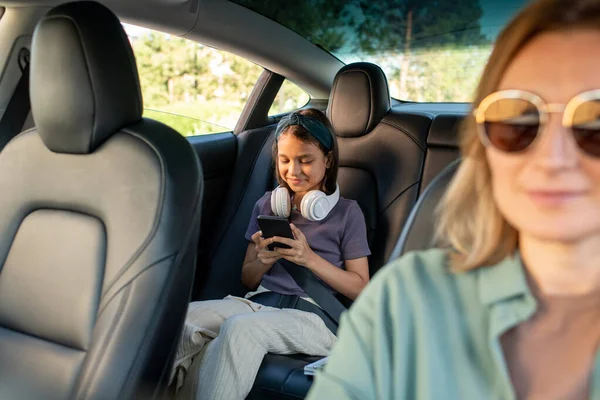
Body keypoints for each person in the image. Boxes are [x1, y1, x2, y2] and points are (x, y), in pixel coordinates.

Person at [306, 0, 600, 399]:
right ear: (484, 145)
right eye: (517, 120)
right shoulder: (408, 298)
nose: (553, 157)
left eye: (594, 124)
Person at [172, 108, 371, 400]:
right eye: (285, 160)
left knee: (241, 330)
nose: (294, 171)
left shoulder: (347, 213)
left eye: (306, 161)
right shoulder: (268, 205)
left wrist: (309, 259)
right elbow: (248, 279)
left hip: (315, 317)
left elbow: (361, 288)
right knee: (186, 319)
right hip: (259, 303)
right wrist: (263, 262)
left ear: (327, 160)